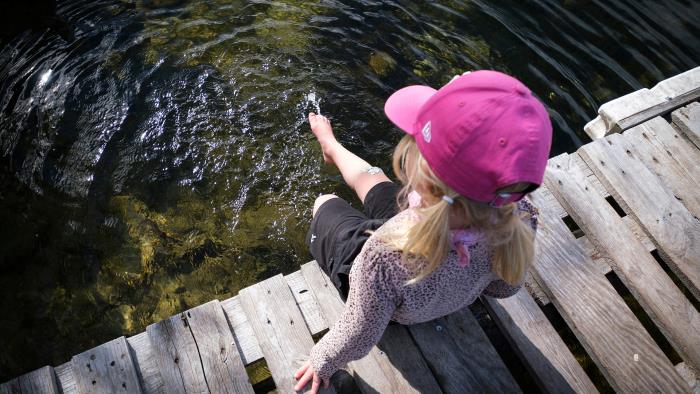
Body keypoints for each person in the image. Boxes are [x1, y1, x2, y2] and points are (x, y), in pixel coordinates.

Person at [293, 70, 552, 393]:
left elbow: (358, 332)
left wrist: (323, 359)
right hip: (437, 224)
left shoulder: (382, 260)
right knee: (378, 186)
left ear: (424, 178)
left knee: (325, 203)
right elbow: (502, 289)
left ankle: (330, 158)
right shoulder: (518, 219)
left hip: (392, 282)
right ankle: (330, 145)